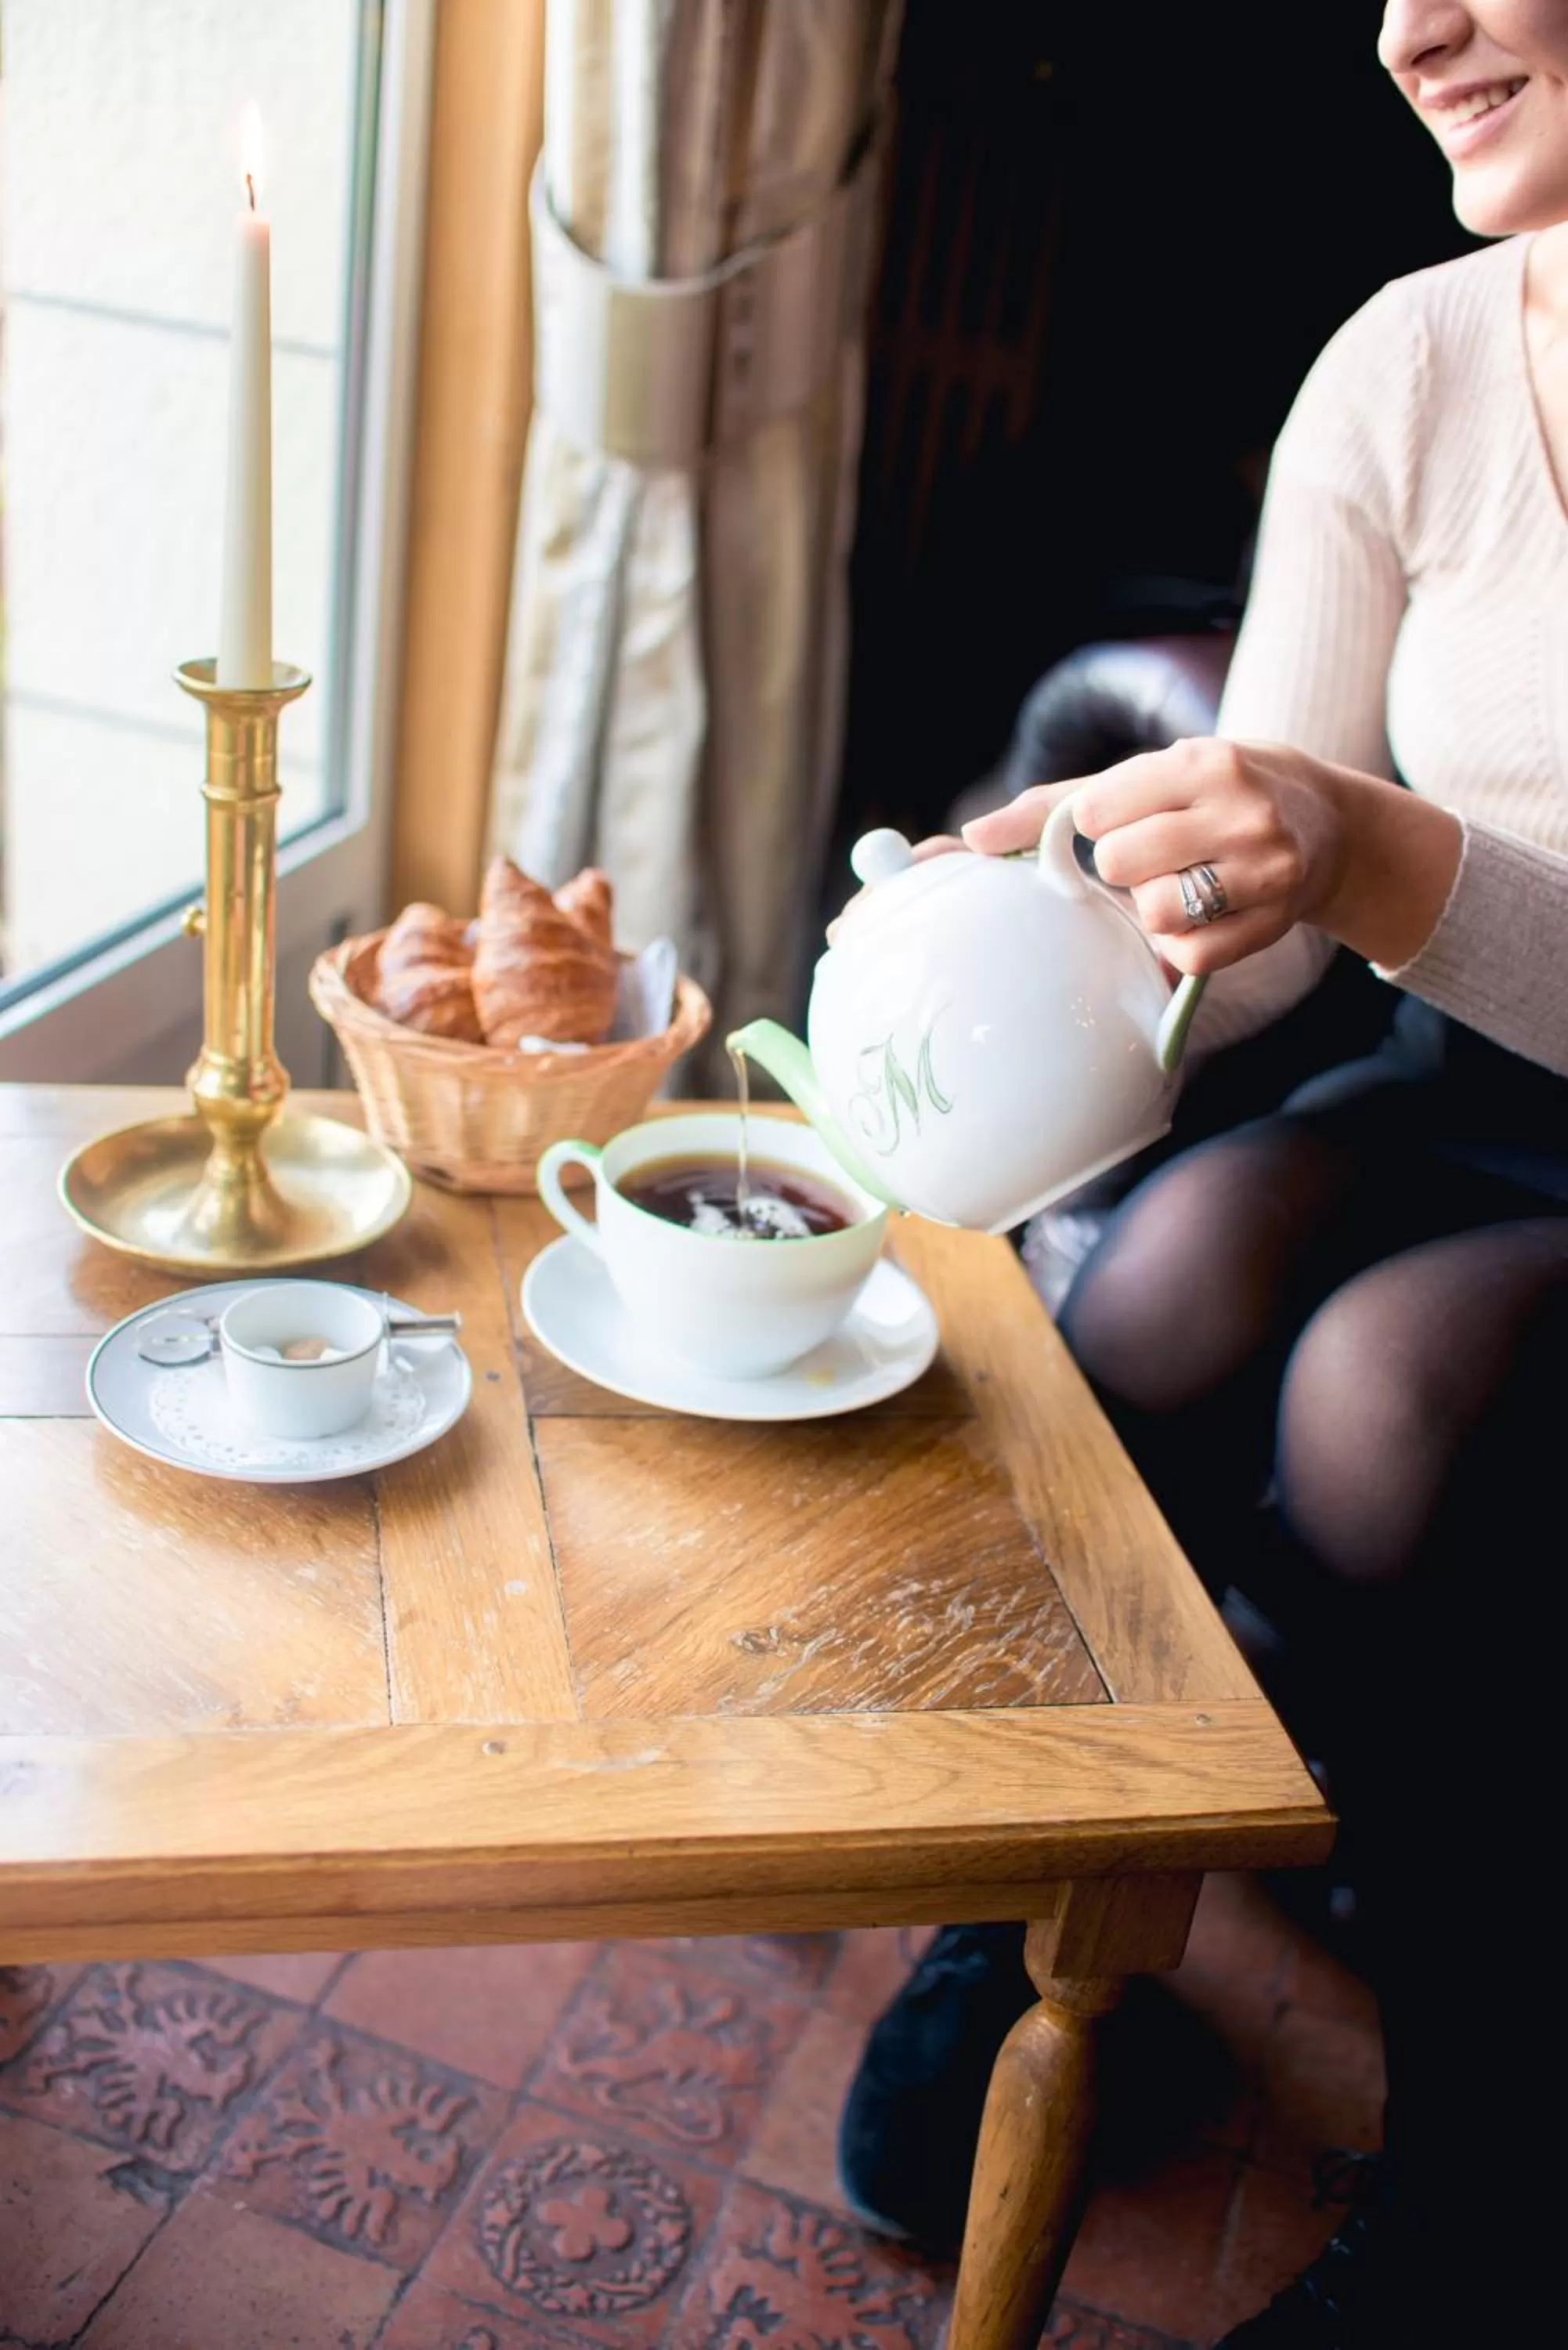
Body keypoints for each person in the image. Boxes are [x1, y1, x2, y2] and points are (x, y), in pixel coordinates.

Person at [836, 5, 1568, 2341]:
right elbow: (1266, 945)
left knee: (1383, 1376)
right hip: (1468, 1075)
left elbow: (1351, 848)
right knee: (1164, 1279)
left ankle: (1497, 2184)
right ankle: (1058, 1927)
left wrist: (1361, 847)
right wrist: (1053, 912)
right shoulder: (1413, 363)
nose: (1406, 26)